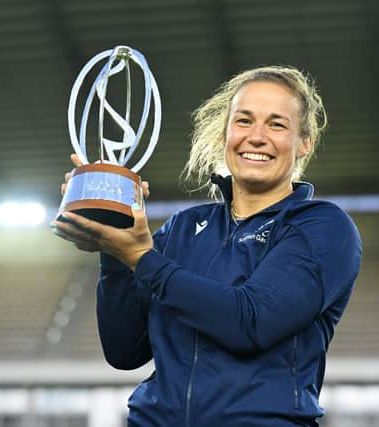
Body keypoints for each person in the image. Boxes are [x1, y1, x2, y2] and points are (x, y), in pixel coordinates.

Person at [51, 66, 362, 427]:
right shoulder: (182, 228)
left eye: (277, 124)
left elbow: (251, 321)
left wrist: (139, 257)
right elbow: (124, 351)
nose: (256, 137)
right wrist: (114, 245)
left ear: (304, 141)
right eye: (244, 121)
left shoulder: (323, 227)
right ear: (226, 132)